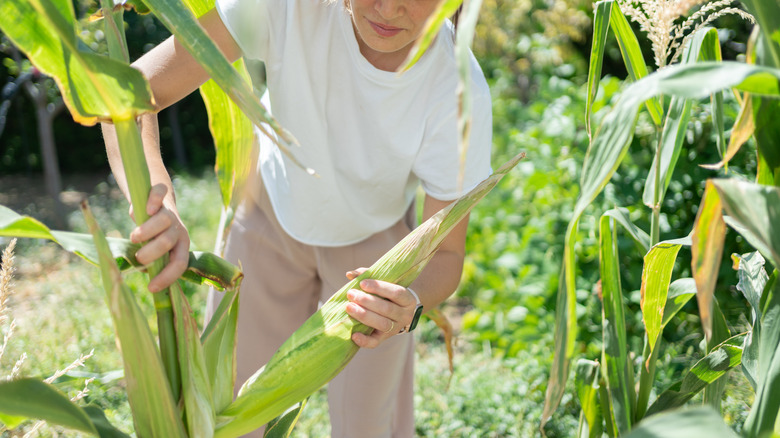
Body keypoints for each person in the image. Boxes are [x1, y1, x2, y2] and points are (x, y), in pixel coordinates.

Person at [102, 0, 492, 435]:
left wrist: (409, 302)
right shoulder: (287, 7)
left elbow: (446, 256)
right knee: (226, 412)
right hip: (267, 220)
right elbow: (129, 93)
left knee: (368, 425)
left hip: (377, 253)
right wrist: (159, 204)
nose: (388, 7)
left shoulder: (458, 91)